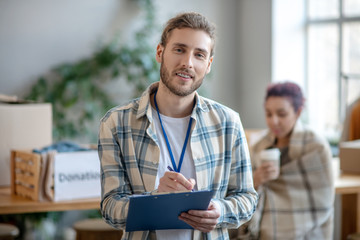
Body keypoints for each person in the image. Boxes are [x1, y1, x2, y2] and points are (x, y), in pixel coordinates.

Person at [98, 12, 258, 240]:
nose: (188, 63)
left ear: (209, 64)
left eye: (199, 55)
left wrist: (220, 211)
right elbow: (110, 208)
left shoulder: (228, 123)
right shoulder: (116, 123)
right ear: (160, 52)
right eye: (179, 49)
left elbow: (247, 198)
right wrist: (155, 199)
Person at [240, 82, 334, 239]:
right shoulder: (259, 146)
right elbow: (243, 191)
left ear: (298, 112)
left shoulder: (316, 146)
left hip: (306, 232)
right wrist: (255, 181)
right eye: (269, 114)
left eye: (282, 114)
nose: (274, 121)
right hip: (265, 230)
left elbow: (322, 203)